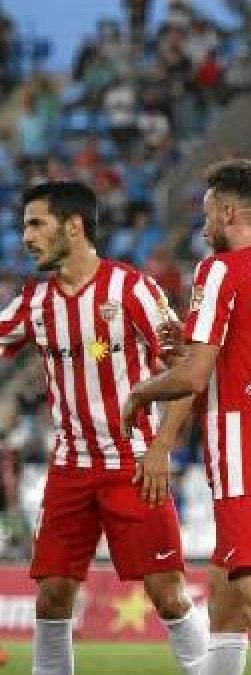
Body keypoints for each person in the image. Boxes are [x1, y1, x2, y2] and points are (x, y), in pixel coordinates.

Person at [122, 159, 251, 675]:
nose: (204, 226)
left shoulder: (221, 270)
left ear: (229, 211)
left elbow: (193, 377)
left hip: (246, 450)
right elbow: (235, 356)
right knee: (226, 598)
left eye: (208, 214)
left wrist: (142, 397)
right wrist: (188, 350)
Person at [0, 181, 207, 675]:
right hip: (70, 469)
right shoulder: (35, 302)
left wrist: (160, 448)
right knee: (51, 598)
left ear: (73, 226)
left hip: (133, 466)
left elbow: (188, 372)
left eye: (36, 224)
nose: (25, 237)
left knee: (168, 595)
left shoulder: (130, 289)